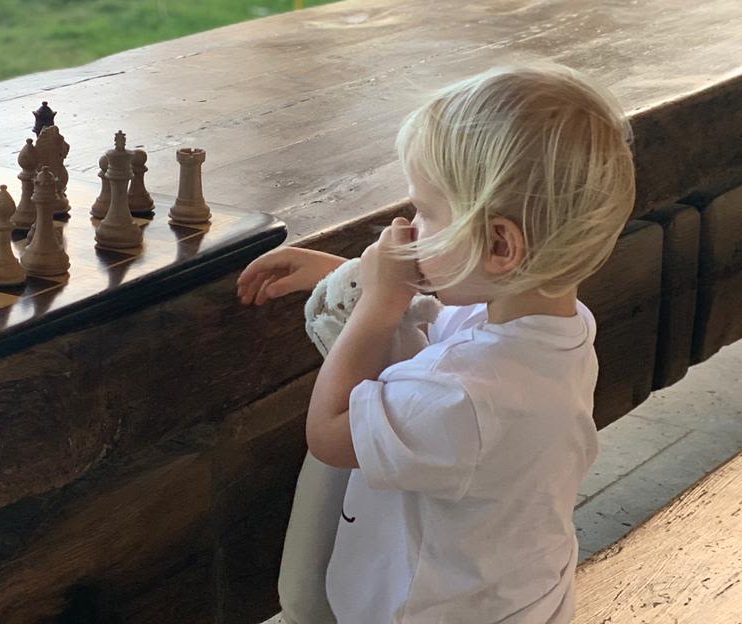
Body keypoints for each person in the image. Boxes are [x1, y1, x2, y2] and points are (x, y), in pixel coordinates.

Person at [236, 64, 636, 624]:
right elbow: (442, 308)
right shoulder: (556, 329)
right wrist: (346, 274)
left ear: (499, 244)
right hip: (516, 592)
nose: (407, 223)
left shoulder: (462, 396)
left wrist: (374, 306)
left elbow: (329, 431)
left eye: (425, 211)